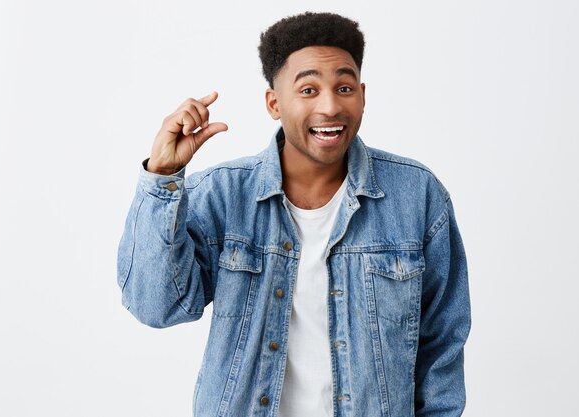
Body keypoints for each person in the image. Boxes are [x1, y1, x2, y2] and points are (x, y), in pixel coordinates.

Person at [117, 11, 471, 417]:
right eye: (307, 90)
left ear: (363, 95)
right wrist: (163, 177)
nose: (330, 106)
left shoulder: (416, 194)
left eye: (344, 86)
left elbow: (442, 344)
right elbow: (155, 306)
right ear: (274, 103)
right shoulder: (223, 194)